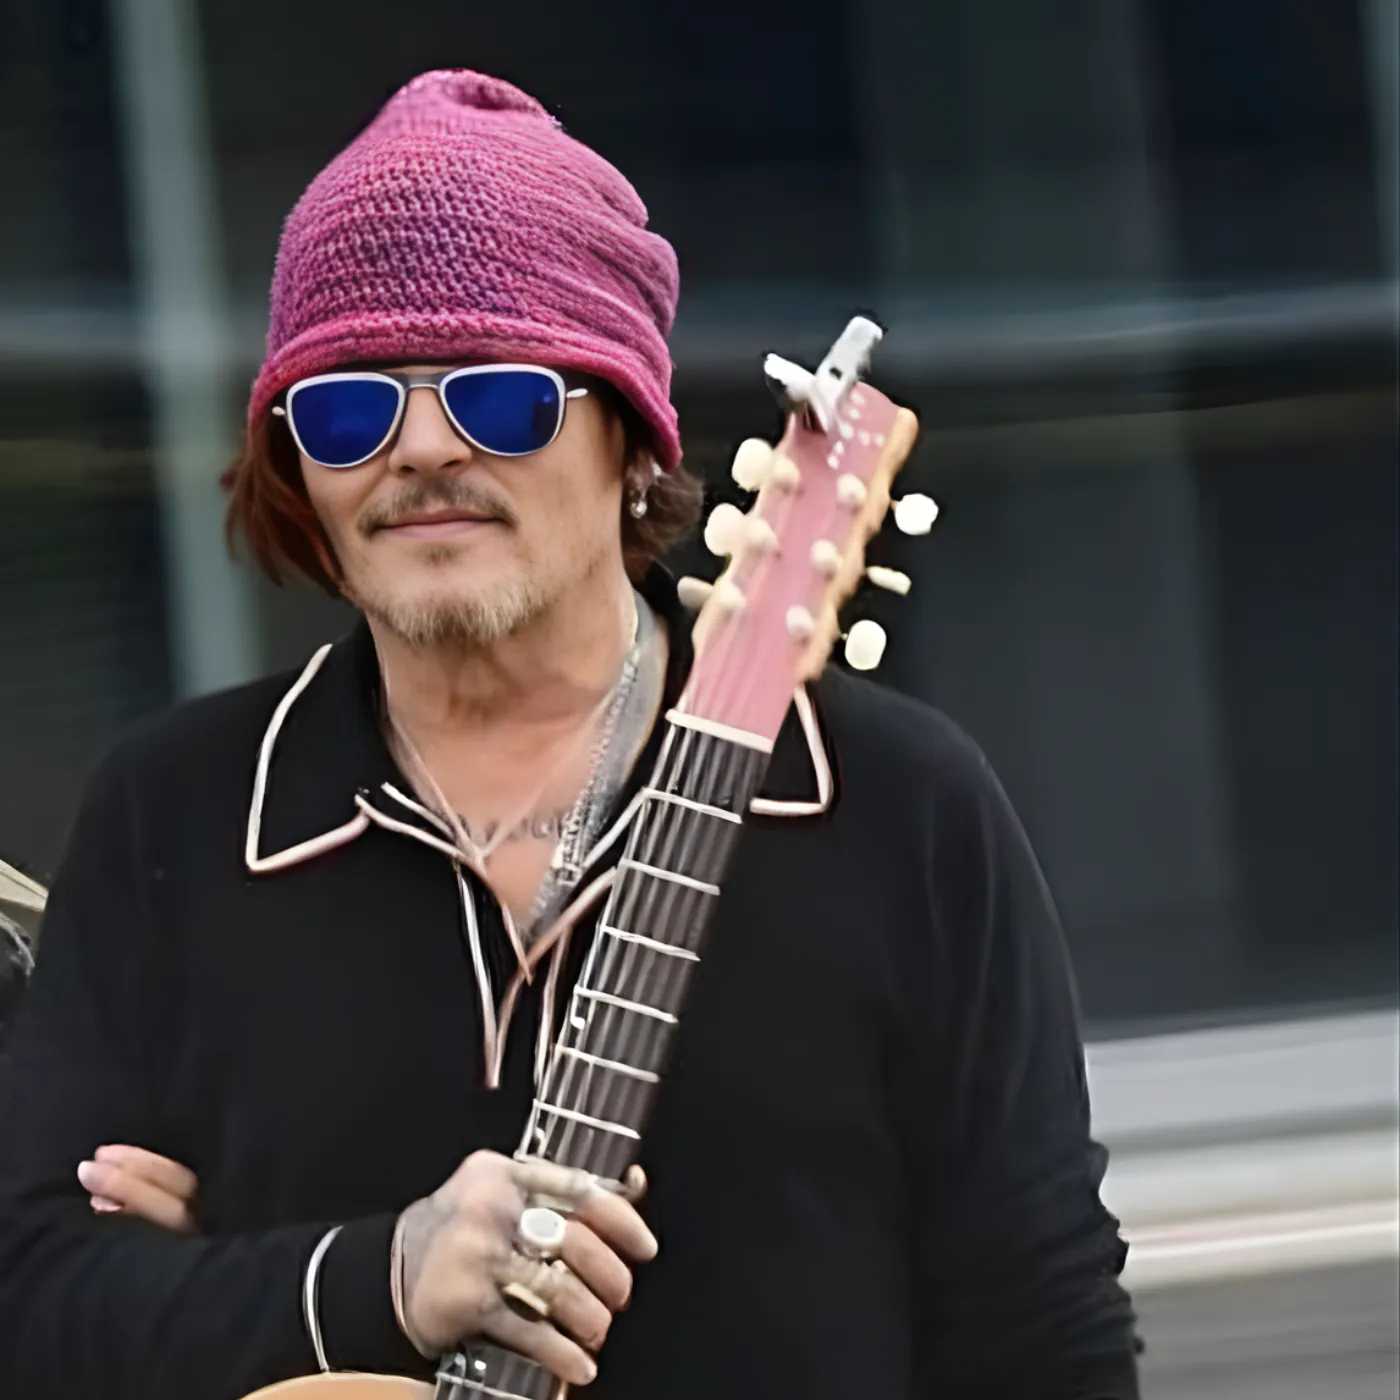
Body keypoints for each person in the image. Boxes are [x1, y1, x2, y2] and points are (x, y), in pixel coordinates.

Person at [0, 69, 1138, 1400]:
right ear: (297, 469)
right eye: (350, 408)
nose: (422, 449)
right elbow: (35, 1307)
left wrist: (204, 1289)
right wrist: (372, 1278)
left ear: (632, 441)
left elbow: (1041, 1334)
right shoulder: (178, 816)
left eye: (499, 397)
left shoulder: (895, 805)